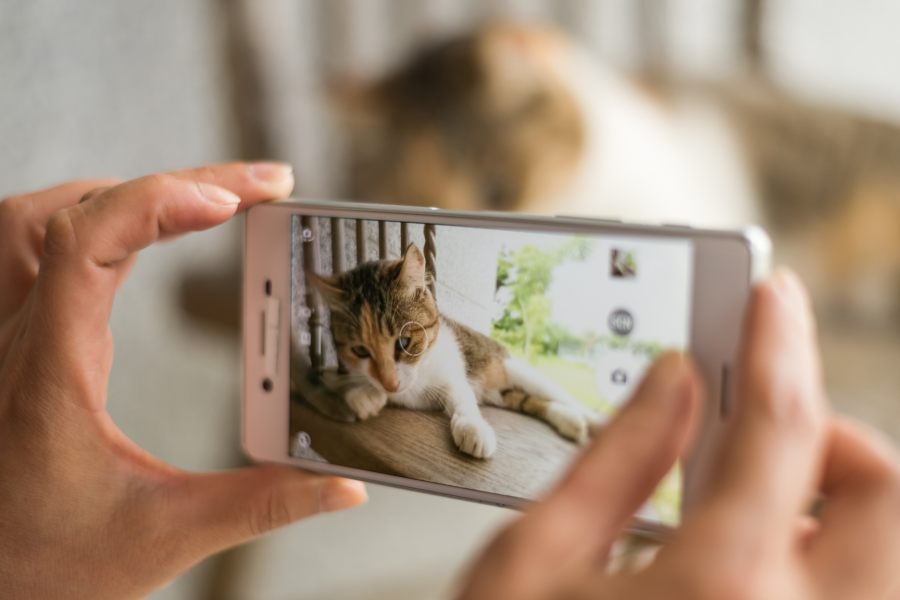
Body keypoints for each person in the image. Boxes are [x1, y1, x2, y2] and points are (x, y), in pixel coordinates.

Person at [0, 163, 898, 600]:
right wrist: (359, 379)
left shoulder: (429, 328)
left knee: (500, 386)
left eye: (387, 352)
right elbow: (374, 380)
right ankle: (541, 403)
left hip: (467, 363)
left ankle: (544, 400)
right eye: (362, 355)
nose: (381, 372)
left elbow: (447, 387)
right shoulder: (358, 350)